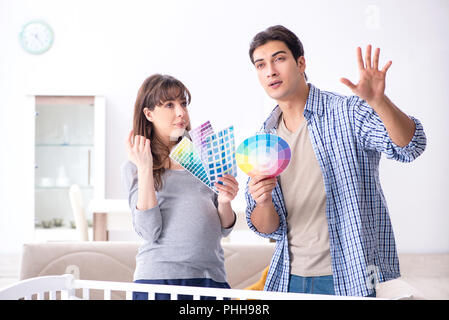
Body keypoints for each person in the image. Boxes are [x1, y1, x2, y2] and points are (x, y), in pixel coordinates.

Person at [244, 25, 426, 297]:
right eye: (261, 65)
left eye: (279, 59)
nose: (270, 70)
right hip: (289, 279)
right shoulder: (263, 139)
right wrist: (263, 201)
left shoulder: (348, 112)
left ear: (301, 62)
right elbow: (266, 227)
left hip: (353, 276)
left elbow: (411, 146)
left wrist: (379, 101)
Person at [121, 74, 239, 300]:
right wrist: (145, 168)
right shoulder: (134, 167)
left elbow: (224, 228)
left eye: (183, 103)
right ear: (149, 113)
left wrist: (225, 202)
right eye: (169, 105)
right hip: (158, 279)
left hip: (210, 277)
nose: (181, 112)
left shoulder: (206, 156)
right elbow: (149, 231)